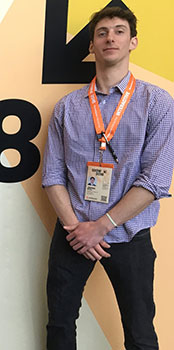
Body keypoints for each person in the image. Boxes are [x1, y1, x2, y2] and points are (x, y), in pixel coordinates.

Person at [42, 6, 174, 349]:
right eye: (102, 33)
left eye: (118, 31)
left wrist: (100, 227)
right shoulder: (68, 107)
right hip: (72, 233)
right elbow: (53, 176)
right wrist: (78, 230)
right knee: (59, 325)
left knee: (140, 332)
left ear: (133, 42)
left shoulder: (157, 103)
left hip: (129, 234)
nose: (110, 37)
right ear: (92, 46)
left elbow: (155, 180)